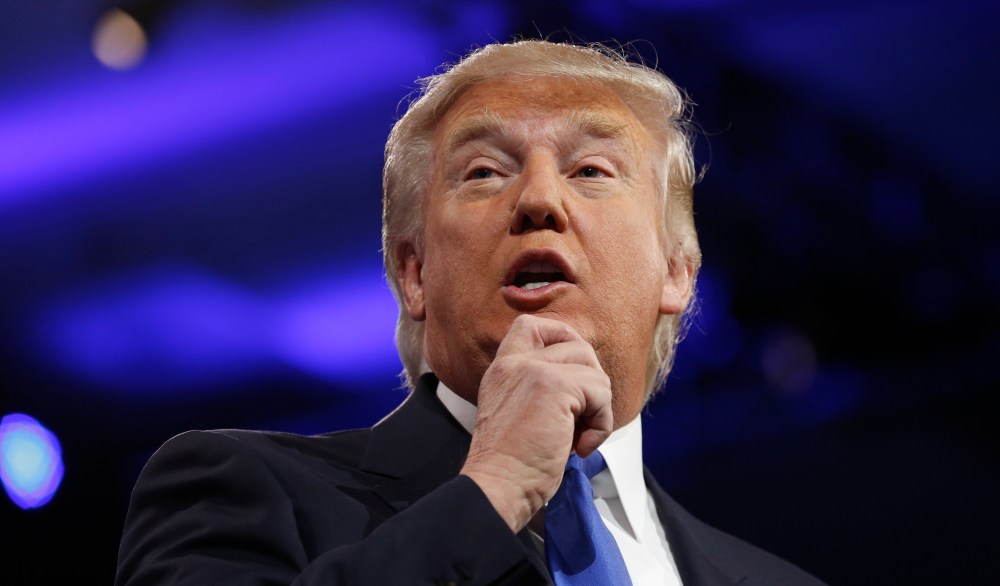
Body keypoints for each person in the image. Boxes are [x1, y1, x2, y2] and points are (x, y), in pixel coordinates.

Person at [116, 40, 826, 585]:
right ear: (414, 272)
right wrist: (493, 490)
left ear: (677, 272)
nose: (539, 199)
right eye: (485, 171)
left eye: (591, 171)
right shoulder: (239, 489)